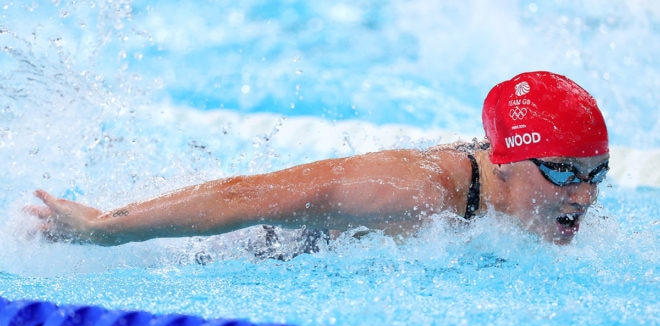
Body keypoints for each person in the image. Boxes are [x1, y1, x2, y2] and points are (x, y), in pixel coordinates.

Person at [25, 71, 610, 249]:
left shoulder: (533, 196)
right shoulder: (415, 190)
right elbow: (247, 197)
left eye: (594, 174)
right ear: (505, 161)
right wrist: (106, 227)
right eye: (563, 171)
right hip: (246, 252)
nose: (582, 195)